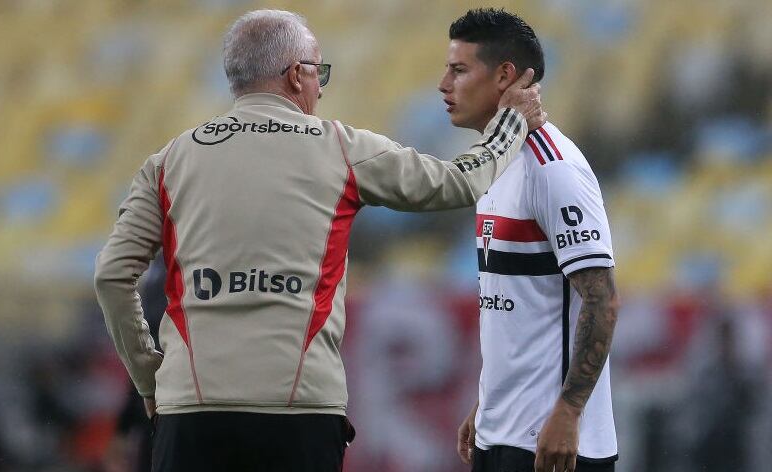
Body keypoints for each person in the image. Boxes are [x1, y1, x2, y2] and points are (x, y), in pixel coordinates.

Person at [94, 9, 545, 472]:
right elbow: (459, 183)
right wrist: (510, 122)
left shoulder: (169, 160)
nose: (321, 88)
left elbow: (112, 276)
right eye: (318, 73)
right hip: (299, 410)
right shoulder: (341, 148)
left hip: (191, 410)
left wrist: (150, 377)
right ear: (296, 75)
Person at [441, 9, 620, 472]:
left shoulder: (553, 169)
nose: (444, 85)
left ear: (504, 75)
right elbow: (519, 307)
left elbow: (601, 300)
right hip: (500, 432)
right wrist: (488, 403)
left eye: (459, 70)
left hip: (550, 444)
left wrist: (569, 412)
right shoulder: (495, 163)